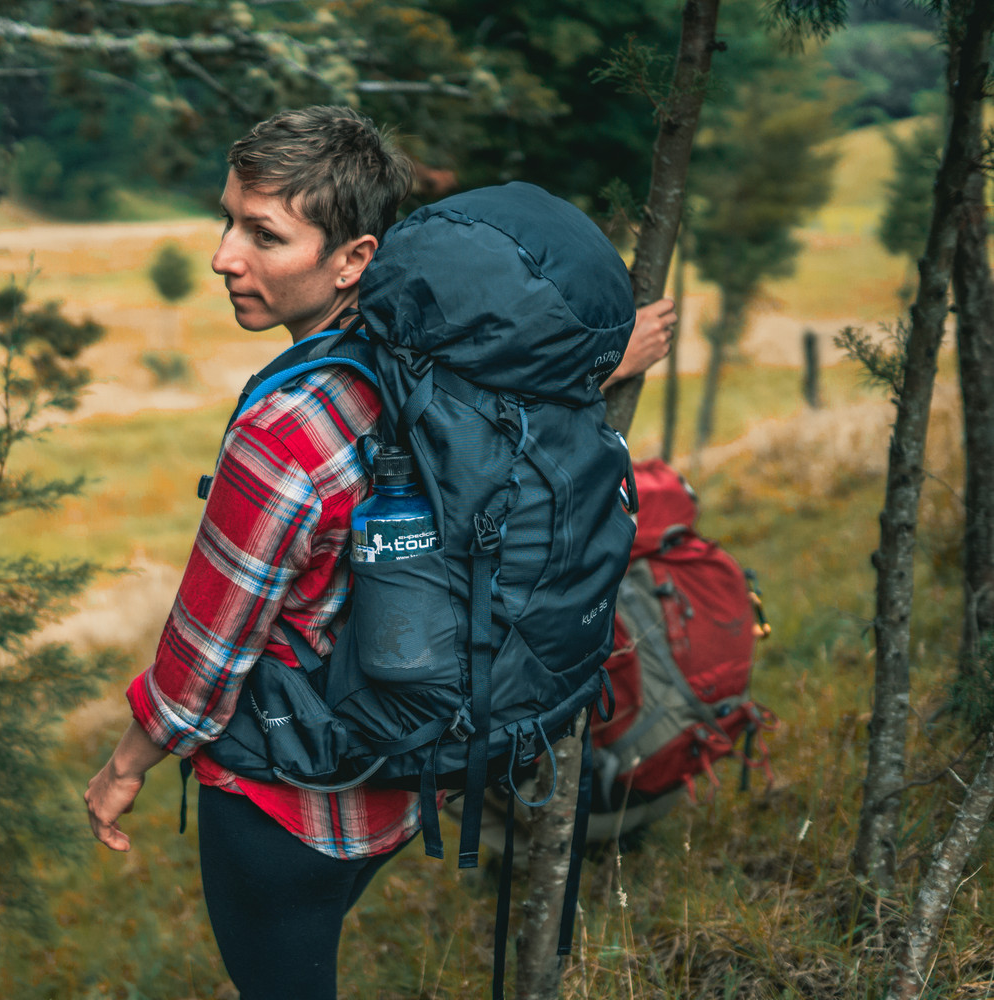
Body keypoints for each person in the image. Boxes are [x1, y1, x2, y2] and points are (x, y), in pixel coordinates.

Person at [85, 105, 677, 1000]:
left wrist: (125, 764)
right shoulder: (456, 369)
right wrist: (602, 365)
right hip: (410, 779)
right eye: (227, 219)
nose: (223, 256)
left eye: (262, 234)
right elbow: (507, 433)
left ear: (355, 258)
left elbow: (207, 649)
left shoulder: (285, 434)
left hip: (285, 807)